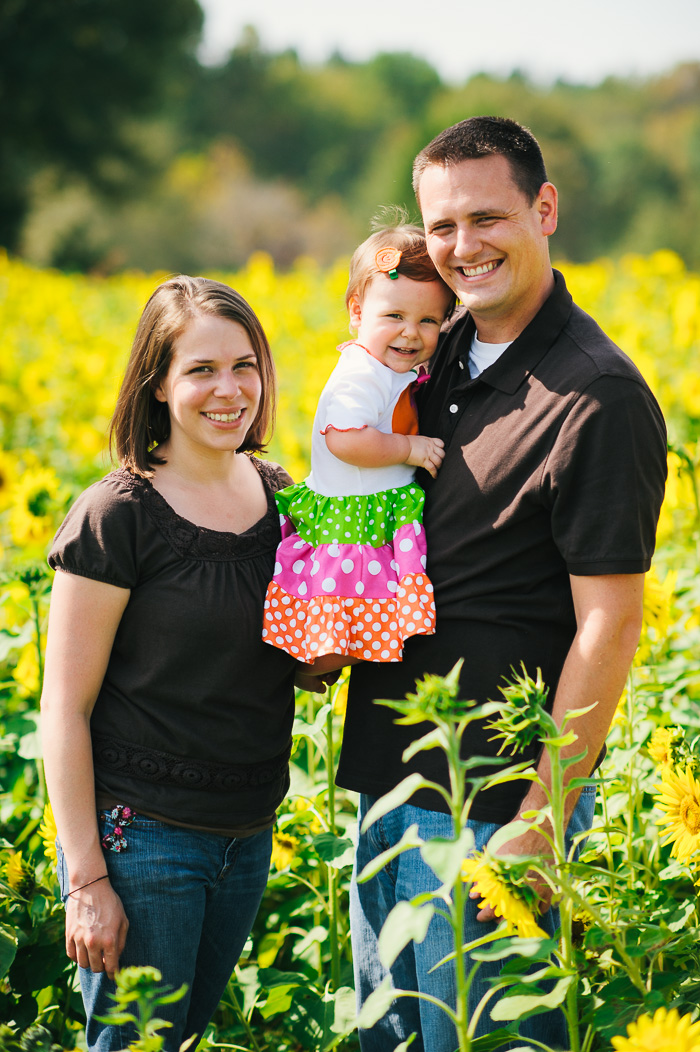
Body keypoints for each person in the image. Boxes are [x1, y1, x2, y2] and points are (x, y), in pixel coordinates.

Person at [335, 117, 668, 1051]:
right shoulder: (426, 354)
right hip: (389, 788)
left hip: (495, 809)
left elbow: (609, 625)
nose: (462, 247)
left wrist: (542, 819)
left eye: (488, 218)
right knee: (391, 1038)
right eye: (442, 228)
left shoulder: (595, 396)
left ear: (546, 209)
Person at [40, 276, 300, 1052]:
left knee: (180, 1041)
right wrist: (86, 880)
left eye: (245, 365)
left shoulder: (283, 498)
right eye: (202, 370)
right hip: (141, 838)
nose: (231, 391)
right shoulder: (118, 513)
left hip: (248, 832)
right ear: (157, 384)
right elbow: (64, 707)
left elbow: (280, 655)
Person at [262, 224, 455, 666]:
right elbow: (345, 440)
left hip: (368, 506)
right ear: (356, 311)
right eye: (394, 317)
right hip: (353, 515)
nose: (410, 334)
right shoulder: (362, 373)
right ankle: (306, 670)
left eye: (428, 321)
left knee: (362, 612)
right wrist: (410, 450)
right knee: (343, 616)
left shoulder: (386, 367)